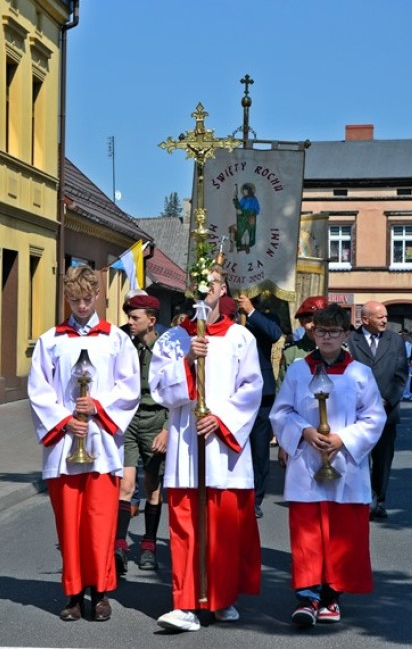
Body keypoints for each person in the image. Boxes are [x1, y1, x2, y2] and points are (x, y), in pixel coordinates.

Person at [149, 266, 263, 632]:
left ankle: (222, 597)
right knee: (185, 525)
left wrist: (222, 418)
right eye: (199, 284)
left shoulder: (241, 337)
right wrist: (186, 362)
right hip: (186, 447)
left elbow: (252, 387)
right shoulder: (172, 339)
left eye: (212, 283)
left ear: (223, 288)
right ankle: (185, 603)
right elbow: (158, 390)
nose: (206, 290)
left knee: (224, 528)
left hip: (223, 448)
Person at [28, 265, 141, 622]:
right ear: (67, 297)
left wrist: (98, 407)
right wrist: (64, 421)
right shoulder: (51, 341)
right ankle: (74, 595)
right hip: (64, 447)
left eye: (86, 299)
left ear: (97, 296)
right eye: (74, 299)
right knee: (70, 524)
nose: (80, 306)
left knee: (100, 523)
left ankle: (101, 592)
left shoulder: (116, 340)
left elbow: (130, 387)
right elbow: (38, 390)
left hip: (103, 446)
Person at [270, 304, 387, 629]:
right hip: (307, 465)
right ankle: (307, 597)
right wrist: (304, 432)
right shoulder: (298, 371)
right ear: (313, 333)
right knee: (307, 534)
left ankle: (332, 596)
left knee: (340, 534)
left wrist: (344, 439)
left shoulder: (359, 374)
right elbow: (281, 413)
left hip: (345, 467)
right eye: (321, 331)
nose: (327, 337)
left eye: (334, 332)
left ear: (346, 335)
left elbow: (374, 417)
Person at [114, 292, 168, 575]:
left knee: (152, 488)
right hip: (130, 420)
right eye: (129, 317)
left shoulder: (166, 349)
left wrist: (168, 429)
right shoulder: (125, 344)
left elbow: (177, 391)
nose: (130, 322)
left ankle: (148, 545)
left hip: (156, 420)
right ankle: (120, 546)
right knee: (125, 484)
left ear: (151, 320)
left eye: (135, 318)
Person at [346, 301, 409, 520]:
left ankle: (379, 501)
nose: (385, 320)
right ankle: (359, 500)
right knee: (357, 458)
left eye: (386, 316)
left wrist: (386, 400)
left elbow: (401, 375)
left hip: (386, 412)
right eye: (380, 317)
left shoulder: (395, 340)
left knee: (382, 459)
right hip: (356, 413)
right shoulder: (350, 341)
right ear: (365, 320)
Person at [237, 293, 283, 519]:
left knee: (259, 449)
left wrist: (251, 312)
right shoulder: (227, 314)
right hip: (232, 390)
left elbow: (275, 334)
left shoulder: (265, 316)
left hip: (260, 392)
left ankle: (255, 499)